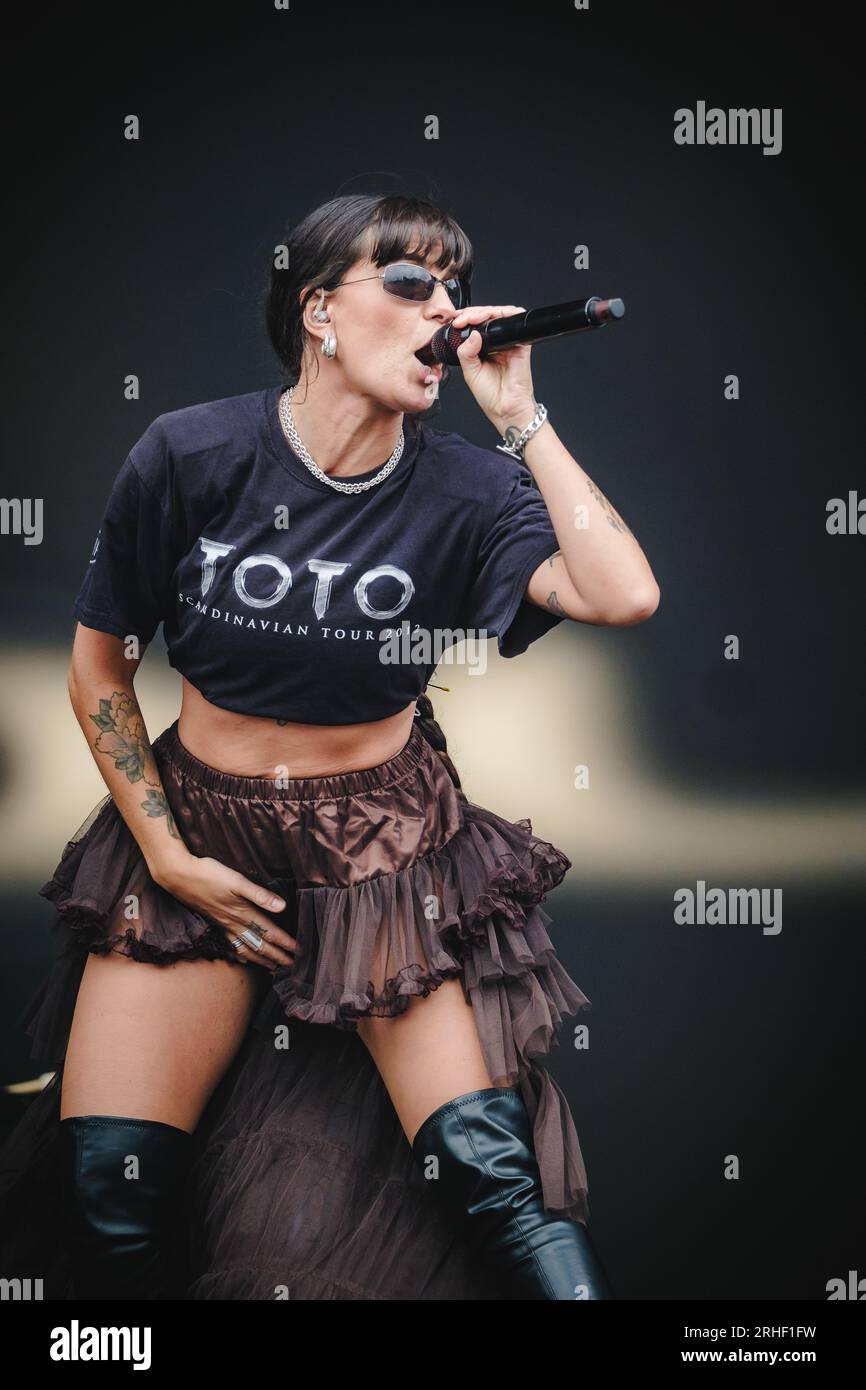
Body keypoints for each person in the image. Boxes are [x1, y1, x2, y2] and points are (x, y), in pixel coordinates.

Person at [0, 192, 659, 1300]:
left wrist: (522, 421)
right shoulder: (192, 452)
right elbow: (99, 663)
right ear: (317, 312)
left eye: (452, 288)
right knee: (113, 1188)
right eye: (408, 285)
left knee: (492, 1176)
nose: (444, 313)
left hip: (385, 850)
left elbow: (622, 593)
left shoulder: (471, 489)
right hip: (196, 822)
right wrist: (164, 856)